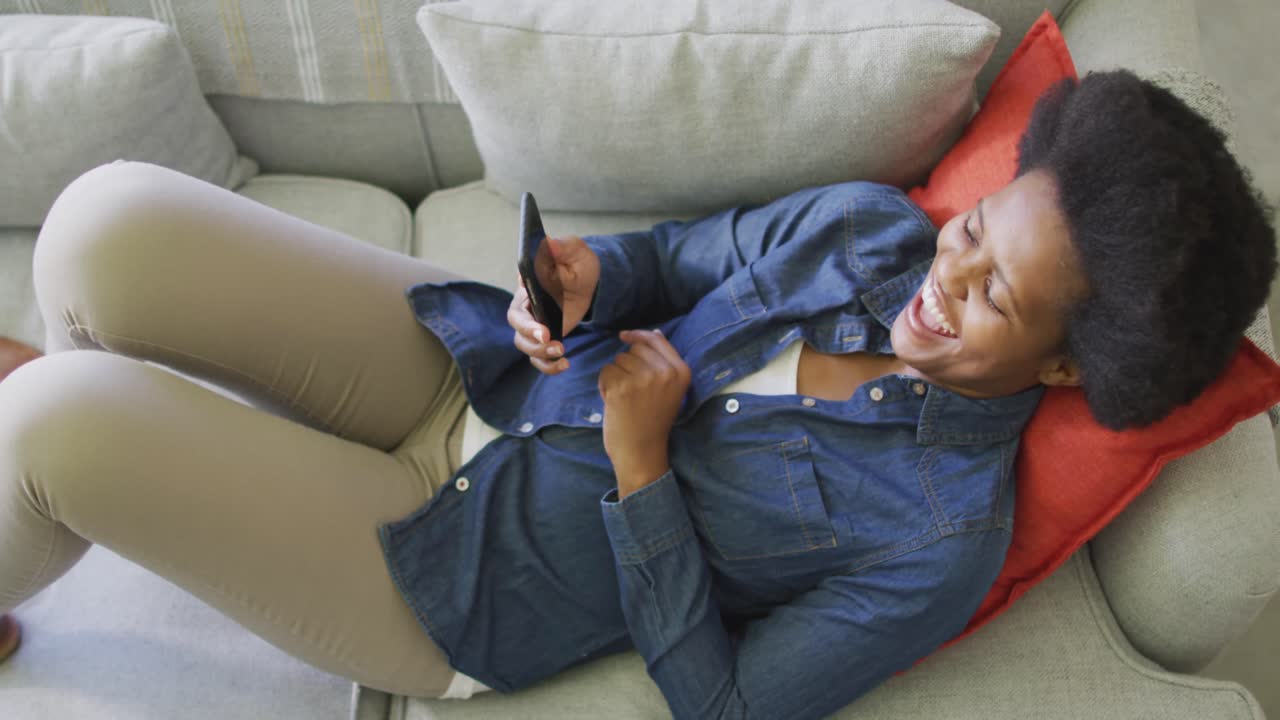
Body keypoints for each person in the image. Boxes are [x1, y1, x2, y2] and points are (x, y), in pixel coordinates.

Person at [0, 69, 1272, 718]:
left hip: (467, 574)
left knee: (53, 426)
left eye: (995, 299)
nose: (948, 277)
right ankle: (109, 461)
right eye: (978, 229)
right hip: (474, 373)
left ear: (1063, 367)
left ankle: (64, 472)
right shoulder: (870, 230)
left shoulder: (938, 537)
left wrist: (643, 470)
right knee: (102, 225)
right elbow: (669, 260)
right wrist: (583, 279)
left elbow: (722, 706)